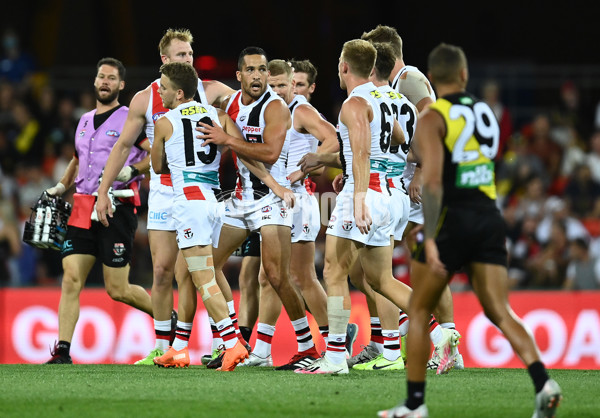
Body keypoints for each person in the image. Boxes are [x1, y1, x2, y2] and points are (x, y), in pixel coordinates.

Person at [378, 43, 562, 418]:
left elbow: (431, 182)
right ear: (463, 75)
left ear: (431, 77)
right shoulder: (487, 114)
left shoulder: (432, 117)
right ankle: (544, 382)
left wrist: (428, 234)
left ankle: (415, 404)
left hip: (453, 217)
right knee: (500, 310)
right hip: (488, 215)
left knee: (418, 309)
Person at [95, 28, 235, 365]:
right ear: (164, 60)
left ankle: (225, 341)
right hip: (163, 191)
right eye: (181, 55)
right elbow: (123, 146)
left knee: (202, 270)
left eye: (190, 54)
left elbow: (245, 115)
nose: (188, 60)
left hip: (199, 189)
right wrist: (103, 191)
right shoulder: (145, 98)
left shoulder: (211, 90)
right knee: (162, 271)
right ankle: (164, 345)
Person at [196, 46, 319, 370]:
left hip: (271, 204)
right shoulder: (231, 103)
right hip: (240, 199)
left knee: (278, 276)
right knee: (205, 264)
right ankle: (233, 339)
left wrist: (227, 138)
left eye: (262, 70)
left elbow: (269, 153)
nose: (257, 76)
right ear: (239, 75)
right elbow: (245, 154)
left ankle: (307, 345)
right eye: (250, 70)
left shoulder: (277, 108)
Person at [295, 39, 407, 375]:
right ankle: (440, 330)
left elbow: (360, 153)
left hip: (364, 194)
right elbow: (399, 138)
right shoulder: (384, 98)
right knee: (379, 278)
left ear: (344, 67)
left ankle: (334, 357)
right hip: (387, 192)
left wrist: (358, 199)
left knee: (333, 271)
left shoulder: (354, 103)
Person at [150, 62, 270, 370]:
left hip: (189, 203)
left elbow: (158, 167)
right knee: (192, 273)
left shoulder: (164, 122)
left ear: (178, 92)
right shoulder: (218, 116)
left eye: (163, 87)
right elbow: (238, 148)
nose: (159, 91)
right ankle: (178, 347)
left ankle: (232, 344)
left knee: (203, 278)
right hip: (217, 200)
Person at [361, 25, 463, 370]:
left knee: (417, 264)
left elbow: (433, 120)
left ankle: (439, 340)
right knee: (384, 268)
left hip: (420, 182)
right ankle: (411, 336)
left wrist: (420, 169)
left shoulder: (410, 78)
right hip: (401, 183)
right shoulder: (393, 85)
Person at [45, 58, 153, 364]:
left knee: (117, 289)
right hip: (82, 204)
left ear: (121, 85)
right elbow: (79, 158)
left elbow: (153, 155)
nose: (104, 81)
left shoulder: (129, 118)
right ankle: (63, 351)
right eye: (100, 76)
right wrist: (60, 185)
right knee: (70, 279)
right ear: (95, 82)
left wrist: (132, 168)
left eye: (111, 78)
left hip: (116, 205)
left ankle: (168, 318)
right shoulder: (84, 119)